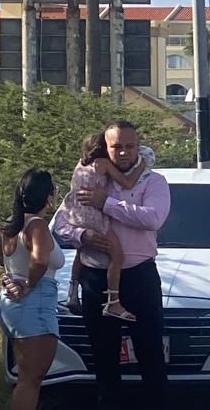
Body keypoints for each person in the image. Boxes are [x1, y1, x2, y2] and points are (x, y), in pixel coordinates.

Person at [54, 120, 176, 410]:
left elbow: (152, 218)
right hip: (96, 275)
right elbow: (62, 222)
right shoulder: (91, 178)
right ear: (105, 148)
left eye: (129, 146)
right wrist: (83, 235)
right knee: (104, 353)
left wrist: (106, 204)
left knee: (150, 350)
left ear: (138, 147)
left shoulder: (153, 181)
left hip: (138, 275)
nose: (123, 152)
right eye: (116, 147)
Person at [0, 167, 64, 410]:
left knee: (25, 377)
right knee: (31, 379)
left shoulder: (11, 225)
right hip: (35, 301)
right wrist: (29, 283)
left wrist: (11, 274)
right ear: (48, 197)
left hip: (13, 304)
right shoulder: (37, 226)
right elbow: (40, 260)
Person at [57, 132, 154, 322]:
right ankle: (113, 302)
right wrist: (141, 165)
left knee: (81, 252)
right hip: (93, 214)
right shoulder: (102, 163)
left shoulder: (81, 165)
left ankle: (72, 289)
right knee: (117, 256)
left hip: (76, 212)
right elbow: (127, 183)